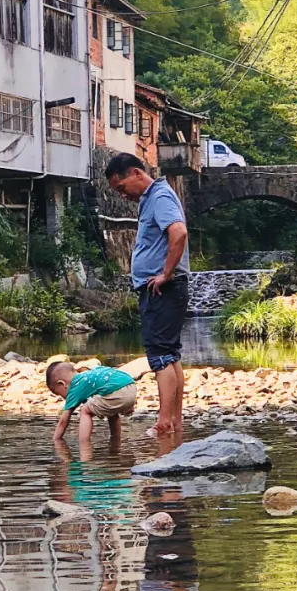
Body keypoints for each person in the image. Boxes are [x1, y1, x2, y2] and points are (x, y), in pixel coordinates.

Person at [104, 151, 189, 437]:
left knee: (160, 355)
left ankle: (164, 422)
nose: (122, 195)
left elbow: (179, 233)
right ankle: (175, 422)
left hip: (163, 288)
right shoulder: (152, 198)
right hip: (164, 287)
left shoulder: (160, 197)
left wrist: (165, 273)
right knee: (170, 355)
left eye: (122, 188)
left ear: (136, 174)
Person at [47, 360, 137, 450]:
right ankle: (116, 441)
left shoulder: (75, 387)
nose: (63, 398)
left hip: (116, 391)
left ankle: (84, 448)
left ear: (62, 384)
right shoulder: (88, 375)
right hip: (130, 385)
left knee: (85, 411)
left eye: (59, 393)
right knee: (111, 412)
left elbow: (63, 421)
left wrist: (56, 440)